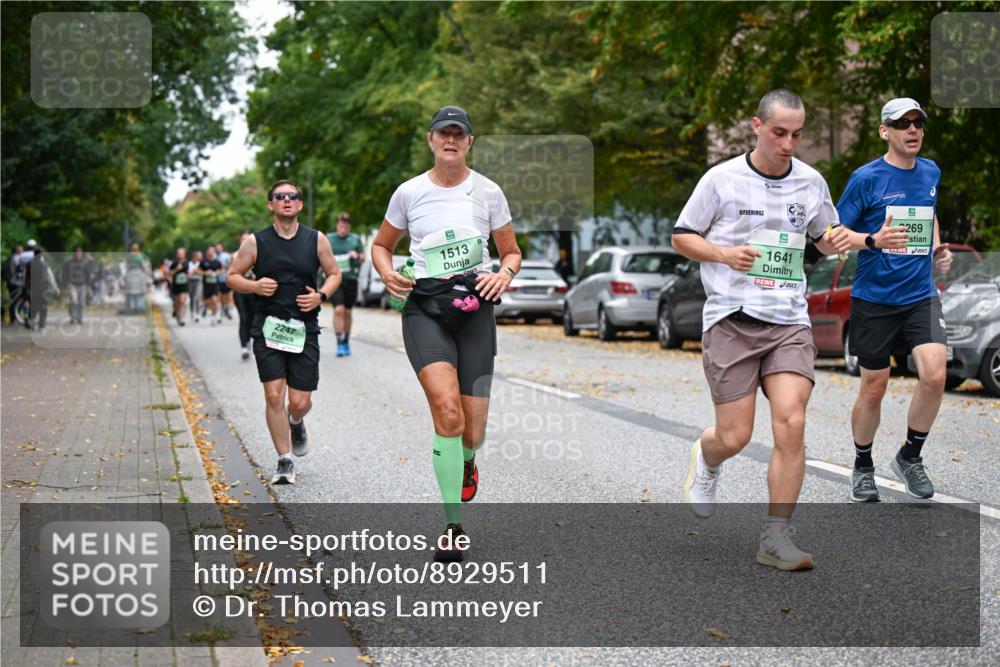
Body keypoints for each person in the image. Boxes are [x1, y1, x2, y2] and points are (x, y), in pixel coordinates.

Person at [671, 89, 851, 571]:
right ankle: (707, 458)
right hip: (731, 317)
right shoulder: (721, 179)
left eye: (797, 134)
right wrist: (724, 254)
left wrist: (842, 242)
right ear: (756, 126)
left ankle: (775, 537)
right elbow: (681, 235)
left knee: (791, 422)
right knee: (734, 436)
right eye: (779, 133)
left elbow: (824, 239)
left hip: (788, 319)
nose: (789, 143)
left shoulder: (811, 182)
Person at [371, 105, 521, 562]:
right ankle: (453, 527)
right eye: (443, 133)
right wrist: (387, 273)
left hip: (475, 309)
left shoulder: (489, 192)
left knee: (473, 430)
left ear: (469, 142)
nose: (451, 140)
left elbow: (511, 252)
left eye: (459, 133)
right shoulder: (409, 192)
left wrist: (504, 275)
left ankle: (468, 461)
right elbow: (382, 246)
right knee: (448, 414)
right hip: (426, 310)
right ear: (431, 140)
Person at [833, 98, 953, 503]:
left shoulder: (931, 170)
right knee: (874, 386)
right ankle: (862, 465)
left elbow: (930, 213)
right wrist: (873, 240)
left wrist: (937, 250)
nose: (913, 130)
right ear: (885, 131)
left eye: (918, 123)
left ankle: (909, 456)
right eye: (903, 124)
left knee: (935, 376)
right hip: (875, 298)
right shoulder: (866, 179)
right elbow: (834, 234)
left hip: (921, 295)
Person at [227, 180, 341, 485]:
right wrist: (254, 286)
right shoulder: (255, 242)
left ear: (300, 205)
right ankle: (284, 460)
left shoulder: (316, 240)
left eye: (293, 196)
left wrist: (321, 296)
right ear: (271, 205)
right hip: (268, 327)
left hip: (304, 328)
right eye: (280, 197)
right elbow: (232, 276)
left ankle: (296, 420)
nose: (287, 200)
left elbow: (334, 273)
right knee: (273, 394)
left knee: (300, 400)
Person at [327, 212, 366, 356]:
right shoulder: (329, 238)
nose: (343, 229)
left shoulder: (355, 239)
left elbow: (363, 257)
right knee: (339, 310)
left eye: (346, 227)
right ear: (337, 225)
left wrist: (357, 256)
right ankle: (339, 343)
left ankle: (346, 341)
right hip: (334, 279)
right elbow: (321, 255)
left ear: (349, 227)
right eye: (341, 226)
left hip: (350, 279)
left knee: (348, 312)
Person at [232, 232, 257, 360]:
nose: (245, 241)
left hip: (253, 290)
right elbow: (231, 275)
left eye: (248, 239)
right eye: (243, 239)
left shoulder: (257, 255)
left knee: (252, 318)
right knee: (243, 317)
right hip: (240, 291)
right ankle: (243, 346)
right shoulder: (235, 255)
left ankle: (248, 341)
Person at [27, 245, 59, 330]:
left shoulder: (29, 264)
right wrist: (55, 287)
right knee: (43, 307)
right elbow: (50, 277)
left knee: (34, 306)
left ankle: (32, 322)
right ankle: (41, 326)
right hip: (42, 289)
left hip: (32, 289)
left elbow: (25, 277)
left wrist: (25, 287)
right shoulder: (44, 265)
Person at [61, 246, 91, 324]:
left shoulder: (85, 263)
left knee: (81, 303)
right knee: (73, 301)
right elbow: (65, 275)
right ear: (74, 253)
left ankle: (79, 318)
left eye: (80, 252)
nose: (78, 253)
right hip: (72, 284)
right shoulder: (68, 263)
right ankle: (73, 317)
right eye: (77, 252)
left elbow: (88, 275)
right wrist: (65, 287)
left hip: (82, 285)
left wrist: (88, 286)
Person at [198, 247, 223, 325]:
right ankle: (215, 311)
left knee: (214, 299)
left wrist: (218, 272)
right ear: (207, 253)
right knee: (207, 301)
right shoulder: (203, 262)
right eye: (209, 251)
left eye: (212, 251)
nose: (211, 253)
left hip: (215, 284)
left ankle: (214, 316)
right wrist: (205, 273)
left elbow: (222, 270)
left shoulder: (217, 262)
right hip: (207, 284)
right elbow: (197, 271)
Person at [124, 243, 151, 314]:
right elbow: (143, 267)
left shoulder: (129, 256)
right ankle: (139, 307)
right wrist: (147, 274)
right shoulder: (140, 256)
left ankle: (133, 307)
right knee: (140, 292)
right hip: (139, 274)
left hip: (131, 274)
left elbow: (126, 266)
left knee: (132, 292)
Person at [167, 247, 189, 326]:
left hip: (184, 285)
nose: (179, 254)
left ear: (184, 254)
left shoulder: (187, 262)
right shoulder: (174, 263)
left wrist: (189, 274)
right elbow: (169, 273)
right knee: (177, 302)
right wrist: (176, 269)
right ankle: (176, 313)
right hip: (176, 285)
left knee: (182, 301)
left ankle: (181, 319)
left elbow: (191, 272)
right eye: (178, 253)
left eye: (181, 253)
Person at [4, 243, 24, 324]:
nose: (23, 250)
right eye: (21, 249)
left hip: (10, 282)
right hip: (16, 283)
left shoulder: (10, 258)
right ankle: (15, 318)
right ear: (17, 250)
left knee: (13, 299)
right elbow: (20, 271)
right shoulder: (17, 258)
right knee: (16, 301)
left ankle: (13, 318)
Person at [216, 241, 235, 320]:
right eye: (216, 247)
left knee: (227, 295)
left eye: (219, 247)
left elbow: (232, 264)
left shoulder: (226, 256)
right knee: (220, 296)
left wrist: (225, 266)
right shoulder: (214, 256)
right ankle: (222, 310)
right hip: (217, 279)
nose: (218, 249)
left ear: (222, 248)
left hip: (226, 278)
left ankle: (227, 309)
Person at [188, 249, 204, 322]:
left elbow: (202, 273)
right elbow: (188, 273)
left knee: (197, 297)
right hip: (190, 282)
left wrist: (196, 272)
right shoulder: (189, 263)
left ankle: (197, 313)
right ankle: (192, 312)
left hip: (198, 281)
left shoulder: (201, 264)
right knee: (191, 298)